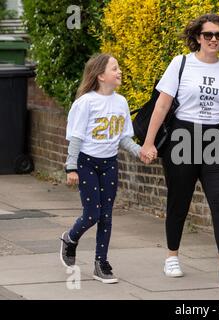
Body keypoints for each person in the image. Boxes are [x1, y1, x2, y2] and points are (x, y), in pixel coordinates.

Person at [140, 13, 219, 285]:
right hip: (182, 136)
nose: (213, 39)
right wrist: (149, 142)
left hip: (216, 138)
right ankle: (172, 256)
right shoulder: (181, 63)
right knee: (179, 200)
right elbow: (162, 105)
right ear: (198, 37)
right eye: (208, 35)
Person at [60, 53, 144, 284]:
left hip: (109, 164)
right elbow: (76, 137)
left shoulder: (121, 102)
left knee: (106, 216)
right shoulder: (86, 102)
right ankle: (70, 238)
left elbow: (124, 138)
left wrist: (140, 152)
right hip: (86, 163)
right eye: (114, 68)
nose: (119, 72)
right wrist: (71, 167)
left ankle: (101, 263)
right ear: (100, 76)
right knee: (92, 214)